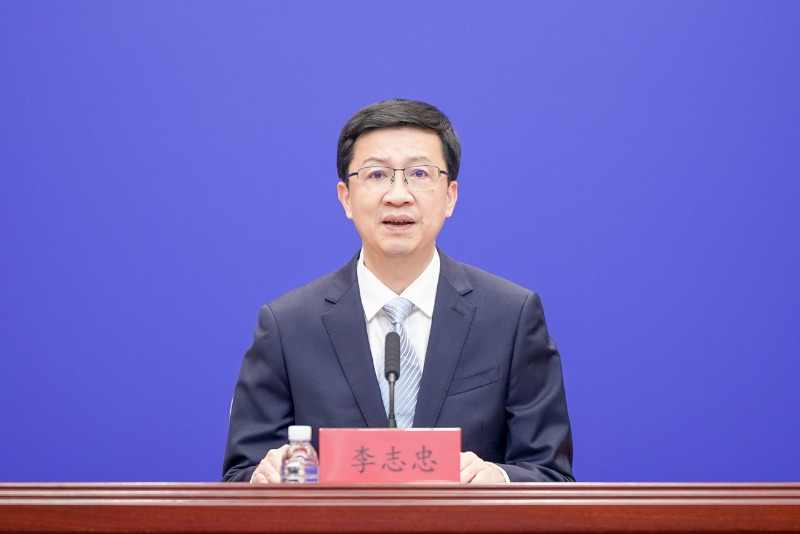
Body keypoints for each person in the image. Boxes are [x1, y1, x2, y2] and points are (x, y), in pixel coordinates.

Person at [222, 99, 573, 484]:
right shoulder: (287, 327)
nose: (398, 194)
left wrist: (498, 481)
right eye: (377, 175)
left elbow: (551, 475)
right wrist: (263, 479)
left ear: (450, 196)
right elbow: (239, 477)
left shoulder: (510, 317)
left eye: (419, 173)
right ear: (346, 197)